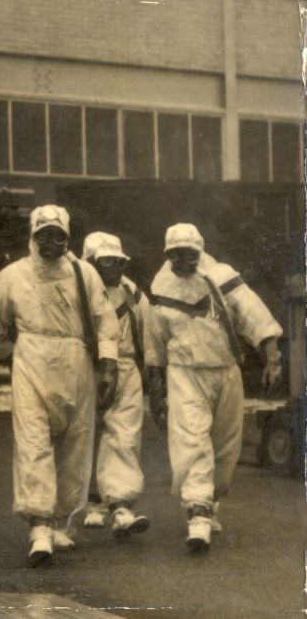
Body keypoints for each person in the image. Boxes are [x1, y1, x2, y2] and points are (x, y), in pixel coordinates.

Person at [0, 205, 120, 567]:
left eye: (58, 236)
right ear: (32, 236)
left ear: (68, 238)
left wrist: (110, 367)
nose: (50, 243)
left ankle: (60, 519)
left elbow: (105, 324)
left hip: (75, 362)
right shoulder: (12, 276)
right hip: (31, 361)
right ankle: (38, 525)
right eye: (43, 235)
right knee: (33, 441)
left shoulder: (84, 273)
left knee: (75, 444)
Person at [144, 223, 282, 554]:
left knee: (225, 447)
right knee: (191, 441)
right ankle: (197, 514)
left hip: (225, 371)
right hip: (184, 373)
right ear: (167, 254)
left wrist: (272, 357)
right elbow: (154, 343)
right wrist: (156, 388)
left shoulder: (222, 276)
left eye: (188, 253)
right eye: (175, 253)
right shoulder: (161, 286)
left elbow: (254, 316)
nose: (182, 260)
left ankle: (212, 501)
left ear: (200, 250)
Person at [80, 232, 151, 538]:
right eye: (105, 261)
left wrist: (150, 370)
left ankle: (120, 505)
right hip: (84, 366)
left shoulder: (132, 292)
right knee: (84, 437)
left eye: (118, 261)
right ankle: (85, 502)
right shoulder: (75, 290)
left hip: (125, 368)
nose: (114, 267)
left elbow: (148, 330)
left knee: (123, 437)